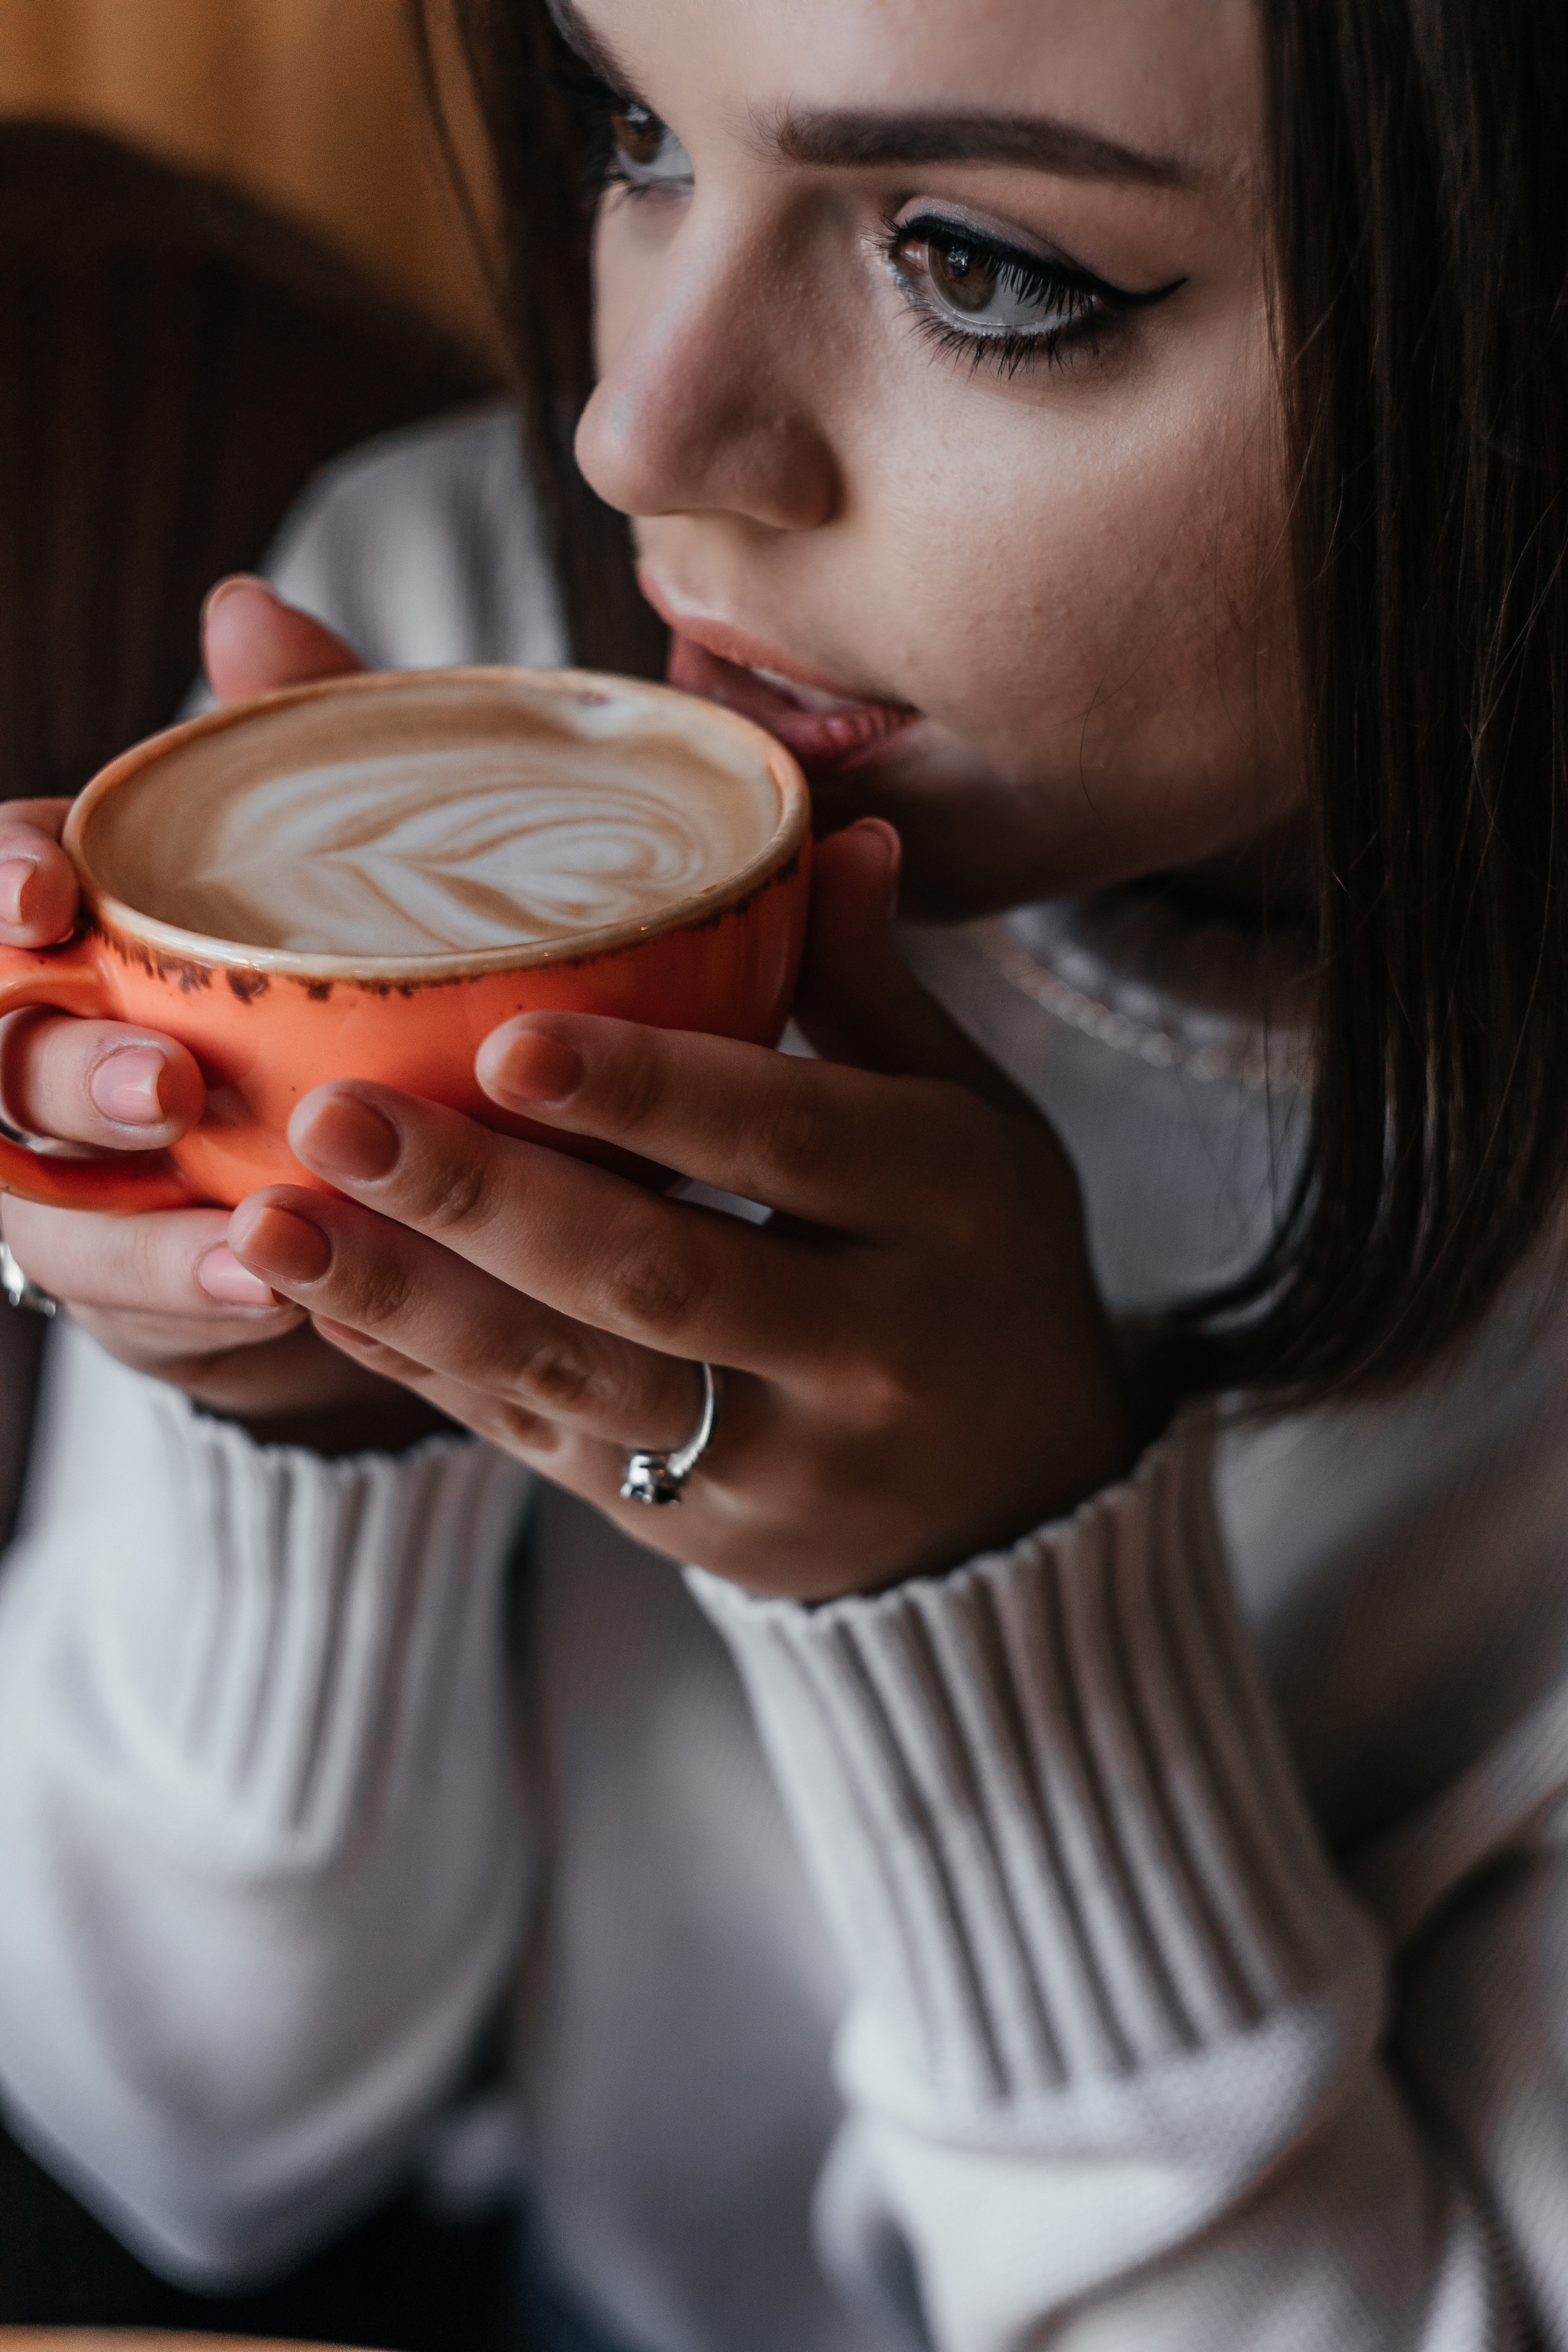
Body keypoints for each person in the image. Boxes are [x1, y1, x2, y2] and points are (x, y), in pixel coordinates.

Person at [0, 0, 1566, 2344]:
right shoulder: (439, 660)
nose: (633, 432)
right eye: (634, 127)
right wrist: (300, 1405)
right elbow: (177, 2145)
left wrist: (980, 1589)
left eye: (982, 267)